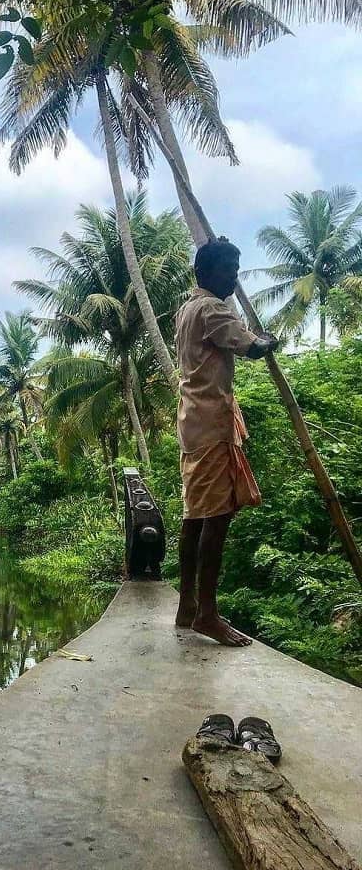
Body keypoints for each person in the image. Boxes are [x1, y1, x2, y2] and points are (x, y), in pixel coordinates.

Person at [175, 237, 278, 647]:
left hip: (194, 422)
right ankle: (207, 613)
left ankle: (187, 605)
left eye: (237, 271)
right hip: (211, 425)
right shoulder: (212, 310)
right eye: (228, 271)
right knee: (216, 517)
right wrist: (268, 341)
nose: (234, 279)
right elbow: (250, 346)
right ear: (205, 274)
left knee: (195, 516)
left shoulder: (187, 309)